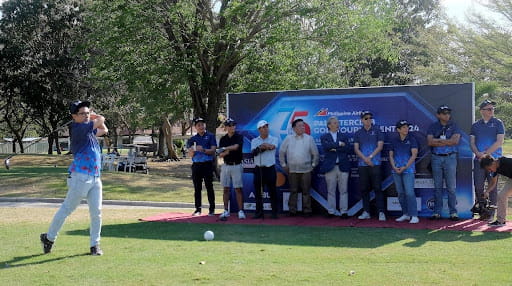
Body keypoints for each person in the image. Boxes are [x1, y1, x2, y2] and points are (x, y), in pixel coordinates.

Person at [40, 100, 108, 256]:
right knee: (67, 209)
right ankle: (49, 238)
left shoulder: (88, 130)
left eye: (87, 113)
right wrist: (95, 116)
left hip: (95, 176)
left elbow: (104, 129)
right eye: (82, 113)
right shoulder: (78, 129)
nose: (86, 116)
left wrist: (91, 115)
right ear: (74, 117)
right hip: (80, 176)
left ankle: (94, 245)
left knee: (96, 212)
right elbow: (101, 120)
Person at [470, 99, 505, 221]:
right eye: (489, 109)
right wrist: (478, 154)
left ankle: (491, 214)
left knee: (493, 186)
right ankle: (482, 210)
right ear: (482, 111)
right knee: (478, 186)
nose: (492, 111)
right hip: (479, 160)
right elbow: (472, 143)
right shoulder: (475, 125)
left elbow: (500, 141)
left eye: (492, 109)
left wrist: (486, 154)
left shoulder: (498, 123)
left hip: (493, 160)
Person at [427, 105, 461, 221]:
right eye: (444, 113)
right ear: (438, 115)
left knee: (451, 187)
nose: (447, 115)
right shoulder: (433, 126)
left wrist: (439, 141)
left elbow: (455, 141)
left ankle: (453, 212)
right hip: (436, 158)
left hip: (450, 158)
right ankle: (437, 212)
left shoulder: (454, 125)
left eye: (448, 113)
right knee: (437, 187)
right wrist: (447, 141)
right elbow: (430, 142)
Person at [279, 118, 319, 217]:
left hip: (306, 170)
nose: (302, 127)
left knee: (306, 191)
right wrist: (284, 165)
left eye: (303, 125)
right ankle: (292, 210)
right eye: (300, 126)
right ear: (294, 128)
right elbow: (281, 152)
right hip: (292, 170)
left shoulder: (309, 138)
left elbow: (316, 154)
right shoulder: (288, 138)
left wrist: (313, 165)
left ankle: (307, 210)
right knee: (293, 191)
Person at [354, 111, 386, 221]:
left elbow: (380, 146)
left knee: (378, 188)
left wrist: (370, 157)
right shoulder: (358, 132)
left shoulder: (377, 130)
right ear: (361, 120)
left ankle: (381, 212)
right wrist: (365, 159)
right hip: (362, 165)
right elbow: (356, 149)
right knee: (364, 189)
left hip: (375, 163)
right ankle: (366, 211)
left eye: (370, 118)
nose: (368, 120)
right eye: (366, 118)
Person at [319, 116, 350, 218]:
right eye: (335, 123)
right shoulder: (324, 137)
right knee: (331, 190)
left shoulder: (344, 136)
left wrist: (334, 146)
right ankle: (331, 211)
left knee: (343, 190)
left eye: (337, 123)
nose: (337, 124)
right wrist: (338, 144)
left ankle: (344, 212)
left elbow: (347, 148)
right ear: (329, 125)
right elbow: (326, 147)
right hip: (330, 167)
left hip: (343, 166)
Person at [389, 120, 419, 224]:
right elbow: (391, 155)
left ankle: (414, 215)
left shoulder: (412, 139)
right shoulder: (394, 140)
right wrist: (394, 167)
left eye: (407, 127)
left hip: (408, 170)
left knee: (409, 193)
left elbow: (414, 155)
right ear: (398, 129)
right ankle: (405, 214)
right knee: (401, 193)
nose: (406, 129)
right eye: (403, 127)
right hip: (396, 170)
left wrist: (405, 167)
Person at [187, 117, 217, 216]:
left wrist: (203, 150)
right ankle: (198, 209)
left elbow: (213, 151)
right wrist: (192, 150)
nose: (201, 126)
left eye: (202, 124)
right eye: (198, 125)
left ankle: (212, 209)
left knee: (209, 187)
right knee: (197, 188)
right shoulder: (192, 139)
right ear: (195, 127)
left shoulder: (210, 136)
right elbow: (190, 154)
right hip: (196, 165)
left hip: (207, 164)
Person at [218, 118, 246, 221]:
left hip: (236, 165)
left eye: (233, 125)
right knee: (226, 189)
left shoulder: (238, 137)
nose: (232, 127)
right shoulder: (223, 139)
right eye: (229, 125)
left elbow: (236, 147)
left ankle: (240, 211)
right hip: (226, 165)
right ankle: (225, 210)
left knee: (238, 189)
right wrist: (225, 151)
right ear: (226, 127)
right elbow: (220, 154)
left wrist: (225, 149)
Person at [251, 120, 279, 219]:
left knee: (273, 191)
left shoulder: (274, 139)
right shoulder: (254, 141)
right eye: (263, 127)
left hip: (270, 168)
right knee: (258, 193)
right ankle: (259, 213)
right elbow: (254, 153)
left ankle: (274, 213)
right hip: (259, 169)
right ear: (259, 129)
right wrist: (261, 147)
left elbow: (272, 147)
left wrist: (263, 147)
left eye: (266, 126)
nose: (266, 128)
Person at [480, 155, 512, 226]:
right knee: (501, 195)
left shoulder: (507, 161)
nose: (489, 171)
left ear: (493, 163)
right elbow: (493, 183)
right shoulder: (495, 169)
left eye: (489, 169)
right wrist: (487, 191)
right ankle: (500, 221)